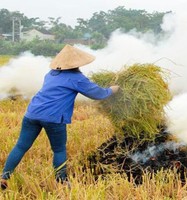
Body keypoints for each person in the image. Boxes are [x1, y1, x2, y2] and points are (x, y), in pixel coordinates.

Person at [0, 44, 119, 190]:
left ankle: (4, 177)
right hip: (53, 118)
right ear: (78, 64)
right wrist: (113, 89)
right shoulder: (77, 78)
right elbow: (99, 94)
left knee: (21, 146)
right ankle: (61, 181)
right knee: (59, 149)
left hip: (32, 113)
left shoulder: (51, 74)